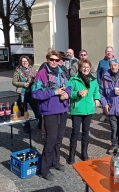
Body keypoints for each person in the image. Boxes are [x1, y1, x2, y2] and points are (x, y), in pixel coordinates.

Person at [32, 50, 71, 181]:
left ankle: (55, 161)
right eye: (51, 59)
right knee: (51, 139)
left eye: (56, 60)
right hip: (49, 111)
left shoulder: (61, 71)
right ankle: (44, 169)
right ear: (48, 60)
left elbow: (69, 86)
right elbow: (35, 93)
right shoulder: (42, 74)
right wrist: (54, 92)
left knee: (59, 138)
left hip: (62, 109)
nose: (54, 62)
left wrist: (67, 94)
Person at [68, 59, 101, 164]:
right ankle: (71, 154)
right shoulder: (74, 79)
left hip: (88, 110)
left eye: (87, 67)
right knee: (75, 132)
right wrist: (77, 93)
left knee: (86, 132)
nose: (86, 69)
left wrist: (96, 99)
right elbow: (68, 92)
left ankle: (84, 152)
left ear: (90, 68)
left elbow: (96, 90)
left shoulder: (93, 79)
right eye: (83, 67)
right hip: (77, 110)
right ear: (80, 68)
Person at [12, 55, 41, 131]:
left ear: (29, 62)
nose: (24, 63)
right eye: (23, 61)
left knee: (36, 108)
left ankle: (40, 124)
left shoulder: (32, 69)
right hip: (22, 92)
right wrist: (23, 84)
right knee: (23, 109)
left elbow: (37, 80)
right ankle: (26, 125)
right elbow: (14, 82)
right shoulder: (18, 70)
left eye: (26, 61)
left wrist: (33, 81)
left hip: (32, 92)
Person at [97, 46, 119, 122]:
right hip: (104, 84)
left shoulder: (116, 61)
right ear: (105, 53)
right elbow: (98, 73)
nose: (109, 52)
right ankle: (104, 114)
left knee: (113, 99)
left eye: (110, 51)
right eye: (107, 51)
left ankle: (113, 114)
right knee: (104, 99)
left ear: (113, 52)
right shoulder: (101, 62)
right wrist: (99, 82)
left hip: (114, 84)